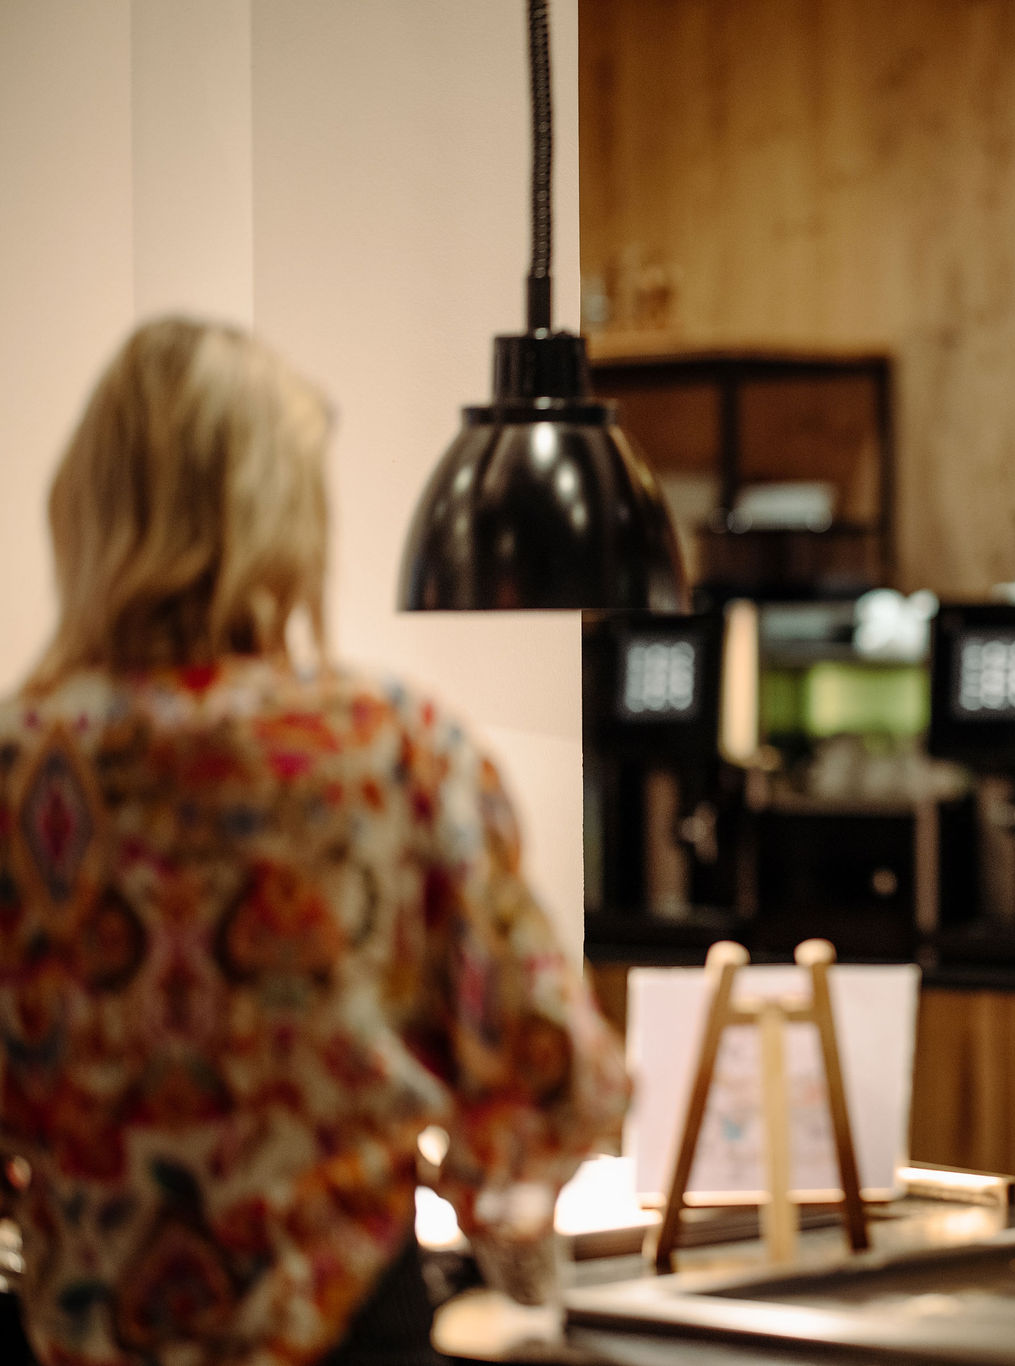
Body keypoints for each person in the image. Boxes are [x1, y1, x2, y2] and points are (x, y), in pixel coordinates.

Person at [0, 318, 630, 1366]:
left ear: (86, 507)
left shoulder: (21, 767)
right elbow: (557, 1072)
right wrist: (473, 1197)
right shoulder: (390, 750)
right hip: (346, 1330)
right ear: (285, 519)